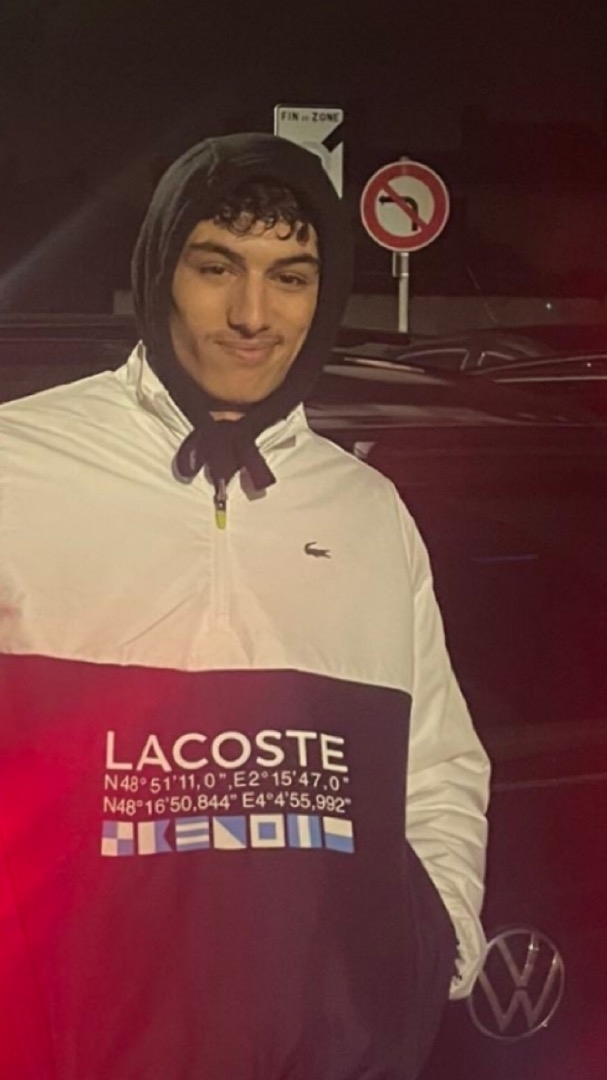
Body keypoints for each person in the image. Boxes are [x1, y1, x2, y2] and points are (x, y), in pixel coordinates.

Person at [0, 133, 490, 1080]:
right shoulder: (18, 467)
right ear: (159, 273)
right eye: (216, 267)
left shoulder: (365, 510)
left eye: (290, 277)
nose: (252, 315)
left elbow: (435, 764)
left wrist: (436, 948)